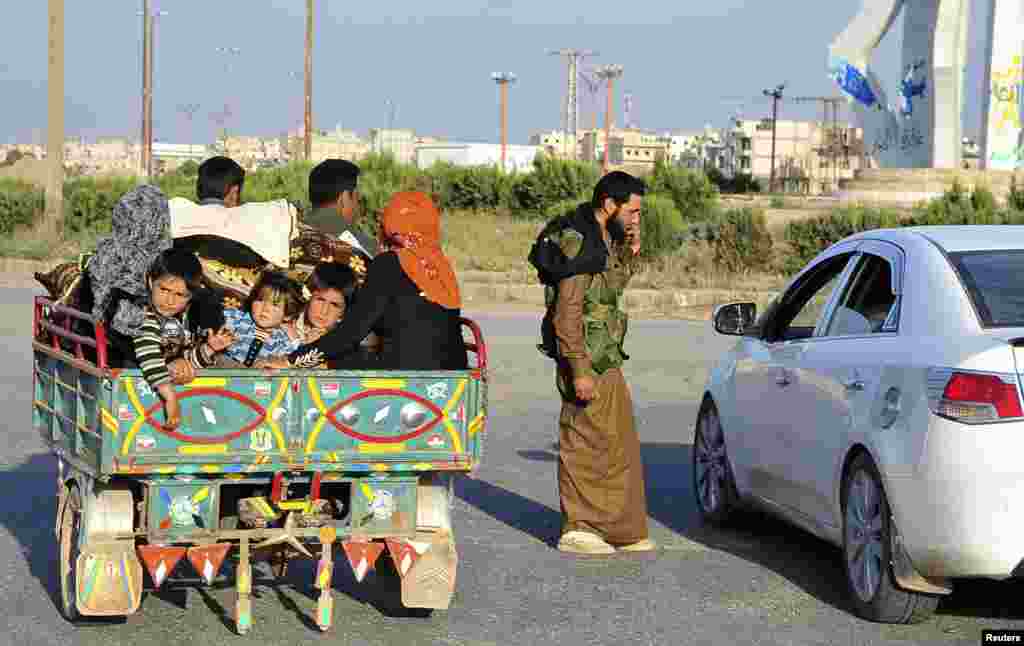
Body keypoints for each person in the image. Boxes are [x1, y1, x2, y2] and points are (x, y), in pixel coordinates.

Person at [549, 171, 653, 556]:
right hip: (586, 357)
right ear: (610, 205)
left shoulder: (605, 240)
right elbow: (567, 310)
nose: (637, 219)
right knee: (583, 439)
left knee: (617, 440)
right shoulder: (580, 242)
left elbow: (609, 290)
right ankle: (579, 526)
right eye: (633, 211)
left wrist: (629, 251)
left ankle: (617, 527)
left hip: (605, 353)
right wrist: (578, 367)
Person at [263, 191, 466, 371]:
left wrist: (292, 360)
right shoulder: (442, 267)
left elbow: (352, 332)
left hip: (405, 375)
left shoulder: (390, 263)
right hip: (456, 373)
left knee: (333, 358)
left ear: (390, 225)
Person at [134, 249, 235, 429]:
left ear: (191, 297)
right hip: (149, 400)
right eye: (164, 289)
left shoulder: (180, 321)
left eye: (180, 295)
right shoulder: (144, 317)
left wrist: (209, 349)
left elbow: (188, 362)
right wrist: (170, 396)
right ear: (150, 282)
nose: (169, 300)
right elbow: (148, 355)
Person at [219, 271, 304, 367]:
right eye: (260, 300)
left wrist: (295, 338)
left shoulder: (282, 341)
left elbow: (300, 359)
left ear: (287, 315)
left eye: (275, 305)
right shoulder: (235, 318)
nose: (265, 308)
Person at [303, 159, 378, 257]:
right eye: (358, 201)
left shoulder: (291, 233)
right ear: (345, 198)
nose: (358, 211)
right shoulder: (361, 246)